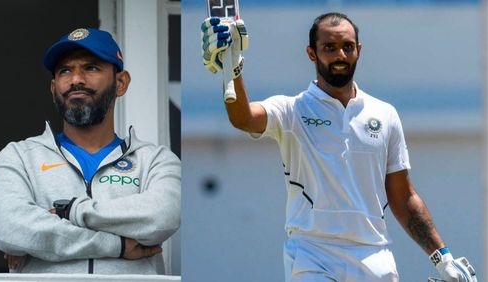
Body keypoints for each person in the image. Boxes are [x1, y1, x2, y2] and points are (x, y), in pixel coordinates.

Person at [201, 12, 476, 282]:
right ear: (312, 53)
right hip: (312, 254)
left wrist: (443, 257)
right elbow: (243, 117)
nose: (340, 55)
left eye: (347, 47)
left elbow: (403, 196)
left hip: (375, 256)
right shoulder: (291, 110)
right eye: (329, 48)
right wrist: (234, 68)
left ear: (359, 50)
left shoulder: (385, 114)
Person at [0, 27, 181, 274]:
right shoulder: (19, 157)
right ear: (53, 88)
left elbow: (162, 216)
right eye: (65, 70)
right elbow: (9, 229)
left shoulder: (155, 160)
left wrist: (69, 211)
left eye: (91, 68)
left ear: (121, 83)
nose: (76, 79)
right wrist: (117, 246)